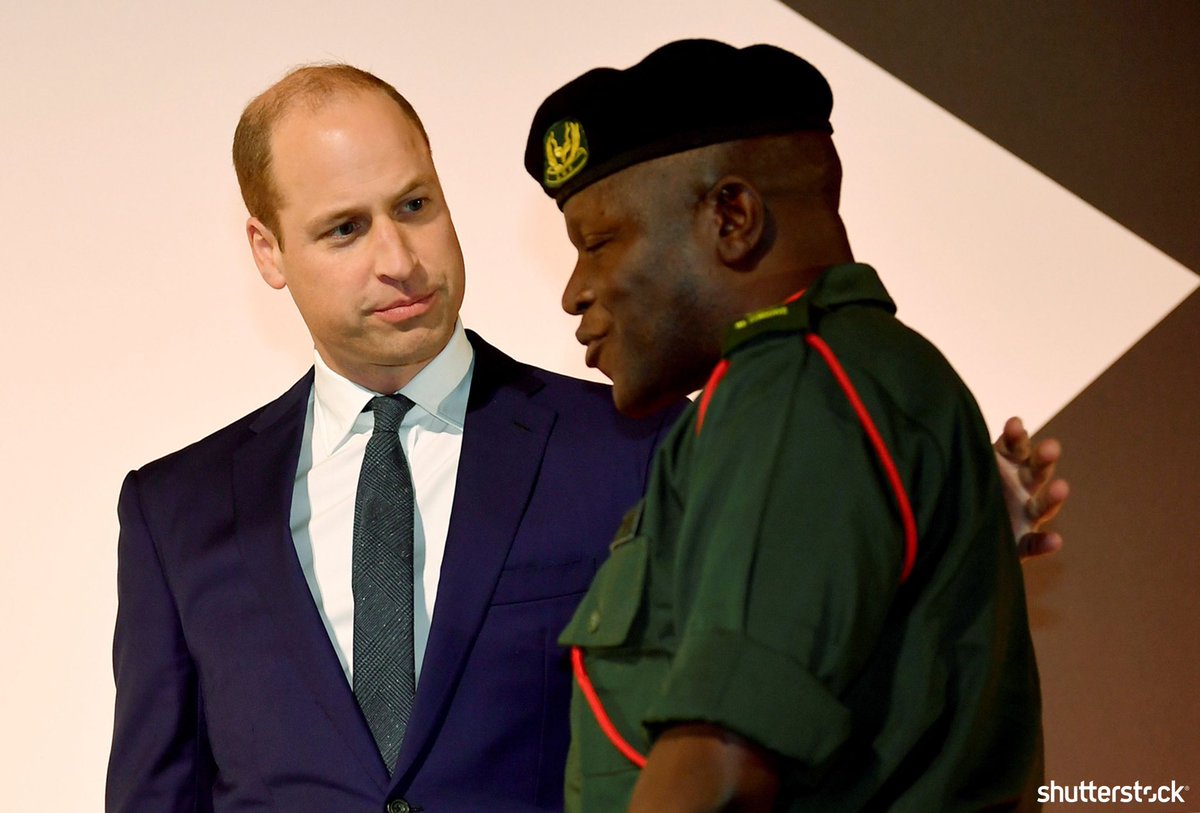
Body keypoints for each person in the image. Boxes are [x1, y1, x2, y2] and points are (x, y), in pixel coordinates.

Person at [108, 63, 1061, 812]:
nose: (399, 260)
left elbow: (804, 675)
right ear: (268, 251)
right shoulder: (175, 510)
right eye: (344, 229)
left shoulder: (639, 440)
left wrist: (941, 522)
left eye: (414, 205)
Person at [523, 40, 1047, 810]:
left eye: (598, 243)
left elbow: (720, 770)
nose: (576, 291)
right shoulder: (851, 382)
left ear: (732, 216)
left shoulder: (793, 386)